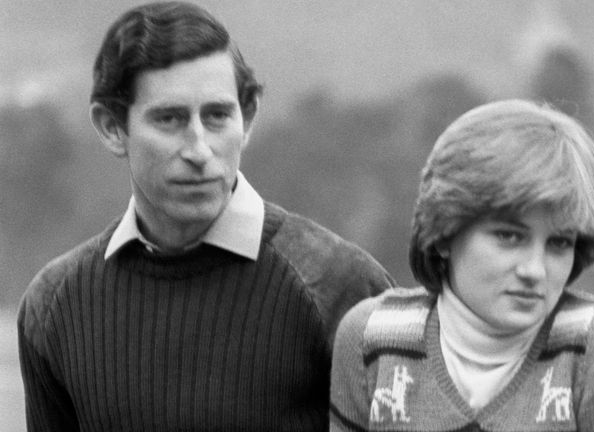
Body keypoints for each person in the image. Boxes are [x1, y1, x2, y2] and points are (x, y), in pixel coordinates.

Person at [17, 2, 393, 431]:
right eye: (169, 119)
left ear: (247, 118)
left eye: (217, 116)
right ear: (111, 127)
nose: (199, 150)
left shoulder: (341, 286)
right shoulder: (55, 307)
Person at [330, 100, 594, 431]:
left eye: (559, 243)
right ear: (446, 233)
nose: (534, 270)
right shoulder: (371, 337)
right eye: (509, 237)